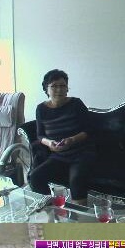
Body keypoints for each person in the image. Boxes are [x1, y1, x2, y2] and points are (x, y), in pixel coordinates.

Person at [28, 69, 95, 203]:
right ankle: (49, 208)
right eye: (54, 86)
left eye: (63, 86)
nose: (59, 89)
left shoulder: (76, 104)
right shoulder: (41, 109)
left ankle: (79, 213)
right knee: (35, 177)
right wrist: (50, 143)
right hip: (58, 155)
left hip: (81, 153)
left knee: (76, 180)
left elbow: (89, 130)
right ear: (46, 89)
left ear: (67, 88)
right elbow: (40, 135)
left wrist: (72, 140)